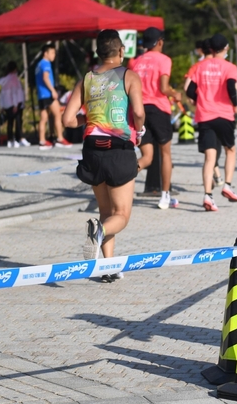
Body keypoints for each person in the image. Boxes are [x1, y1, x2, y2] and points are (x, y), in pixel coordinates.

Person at [62, 29, 145, 283]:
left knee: (106, 211)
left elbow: (67, 120)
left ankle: (108, 267)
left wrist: (89, 118)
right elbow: (139, 113)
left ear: (98, 53)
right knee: (121, 215)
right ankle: (99, 232)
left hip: (92, 151)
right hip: (118, 150)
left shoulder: (86, 79)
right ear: (121, 51)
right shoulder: (129, 76)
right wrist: (140, 129)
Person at [186, 33, 237, 211]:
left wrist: (199, 100)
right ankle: (227, 185)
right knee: (230, 150)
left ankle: (208, 195)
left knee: (210, 157)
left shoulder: (201, 66)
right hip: (224, 114)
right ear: (225, 48)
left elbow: (190, 90)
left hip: (205, 116)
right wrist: (235, 104)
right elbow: (231, 87)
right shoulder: (230, 67)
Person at [129, 27, 181, 210]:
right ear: (159, 42)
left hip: (139, 110)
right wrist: (176, 94)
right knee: (165, 153)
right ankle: (165, 195)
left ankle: (119, 181)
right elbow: (164, 88)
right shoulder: (164, 60)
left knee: (147, 157)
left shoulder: (135, 62)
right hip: (159, 109)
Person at [184, 39, 224, 188]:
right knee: (217, 144)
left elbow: (187, 87)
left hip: (204, 111)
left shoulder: (197, 66)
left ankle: (215, 175)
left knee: (209, 146)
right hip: (221, 111)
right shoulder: (222, 65)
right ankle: (216, 175)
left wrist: (196, 99)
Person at [35, 44, 72, 150]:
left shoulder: (38, 64)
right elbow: (45, 77)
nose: (54, 55)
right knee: (57, 114)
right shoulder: (46, 63)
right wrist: (52, 90)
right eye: (52, 53)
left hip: (41, 94)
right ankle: (60, 138)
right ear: (45, 53)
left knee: (43, 118)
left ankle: (42, 141)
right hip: (47, 94)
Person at [0, 61, 29, 148]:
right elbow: (15, 92)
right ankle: (19, 138)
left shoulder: (4, 80)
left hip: (6, 104)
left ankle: (10, 140)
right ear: (15, 69)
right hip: (16, 103)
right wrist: (16, 104)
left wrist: (2, 106)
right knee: (18, 122)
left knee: (10, 122)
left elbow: (1, 94)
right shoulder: (14, 79)